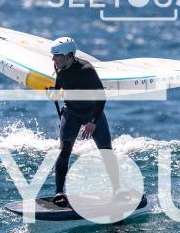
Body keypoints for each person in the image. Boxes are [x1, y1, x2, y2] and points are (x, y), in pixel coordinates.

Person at [48, 37, 128, 207]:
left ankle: (118, 189)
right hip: (71, 112)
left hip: (92, 112)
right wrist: (56, 92)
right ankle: (59, 192)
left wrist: (92, 122)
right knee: (64, 150)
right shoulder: (59, 66)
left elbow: (101, 97)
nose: (53, 59)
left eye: (57, 55)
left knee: (106, 151)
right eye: (53, 55)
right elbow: (60, 79)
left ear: (69, 55)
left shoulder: (86, 70)